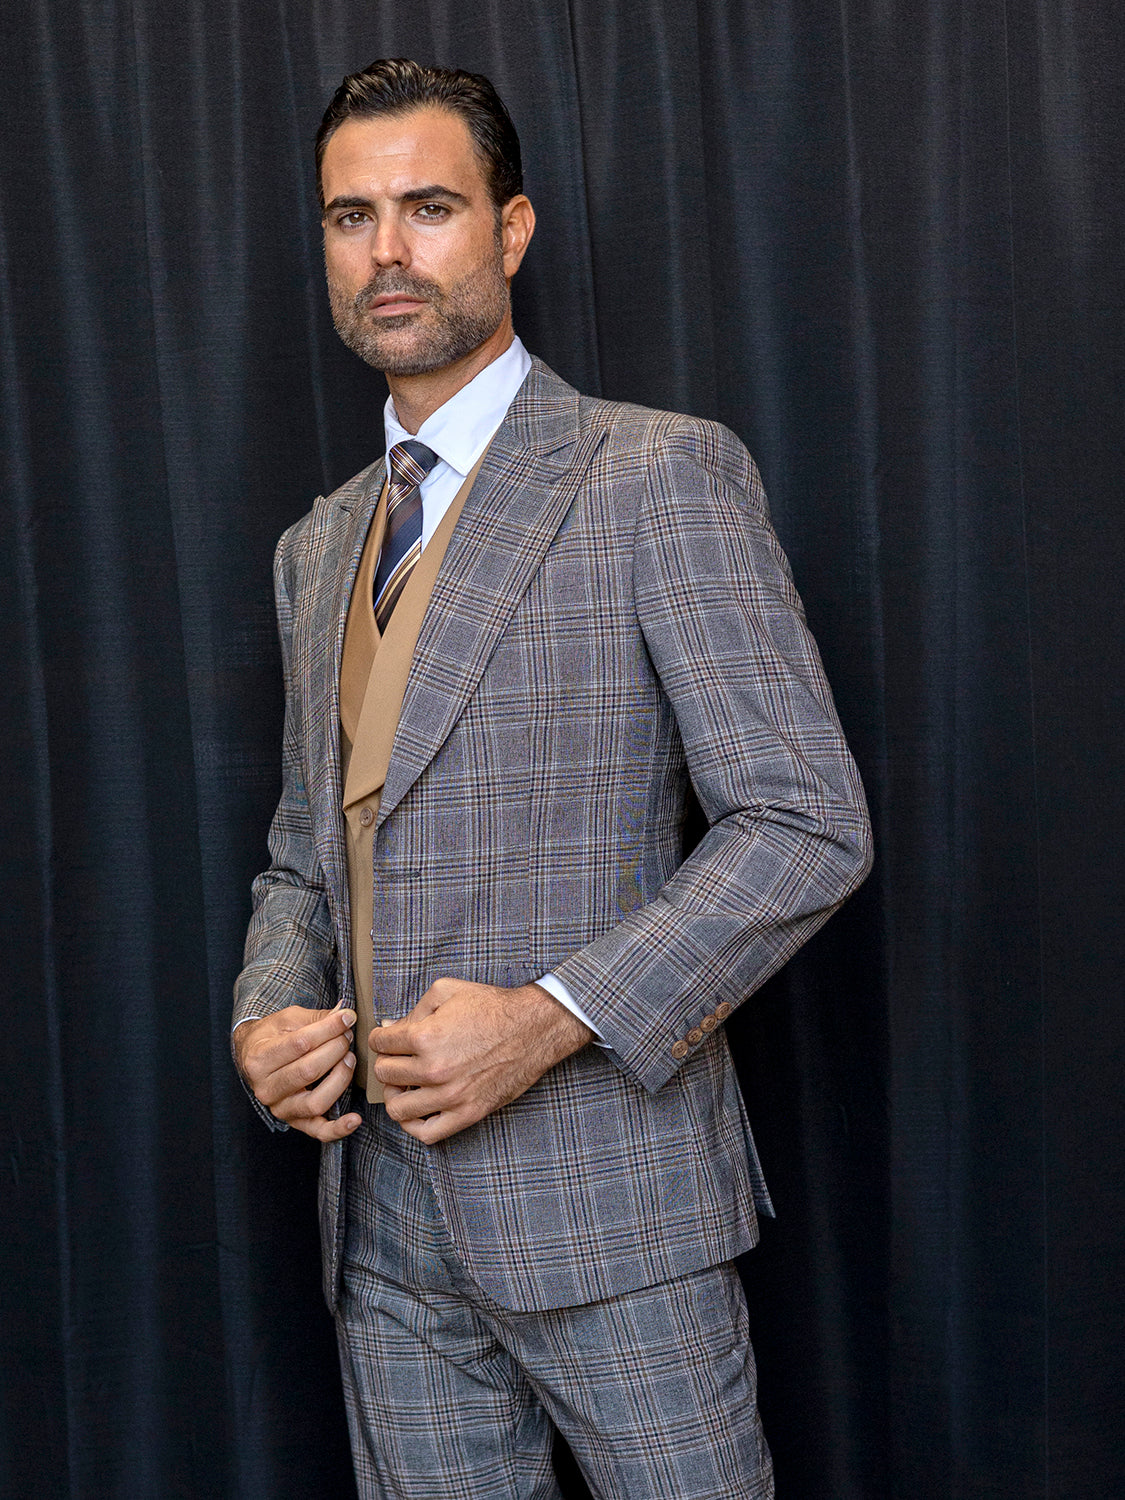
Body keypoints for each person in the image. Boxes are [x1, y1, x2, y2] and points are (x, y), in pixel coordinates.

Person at [232, 57, 871, 1500]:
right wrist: (267, 1011)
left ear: (510, 231)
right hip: (375, 1223)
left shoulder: (655, 476)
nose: (387, 251)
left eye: (429, 207)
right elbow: (300, 855)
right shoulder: (315, 546)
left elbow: (804, 825)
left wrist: (548, 1019)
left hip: (612, 1212)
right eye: (350, 217)